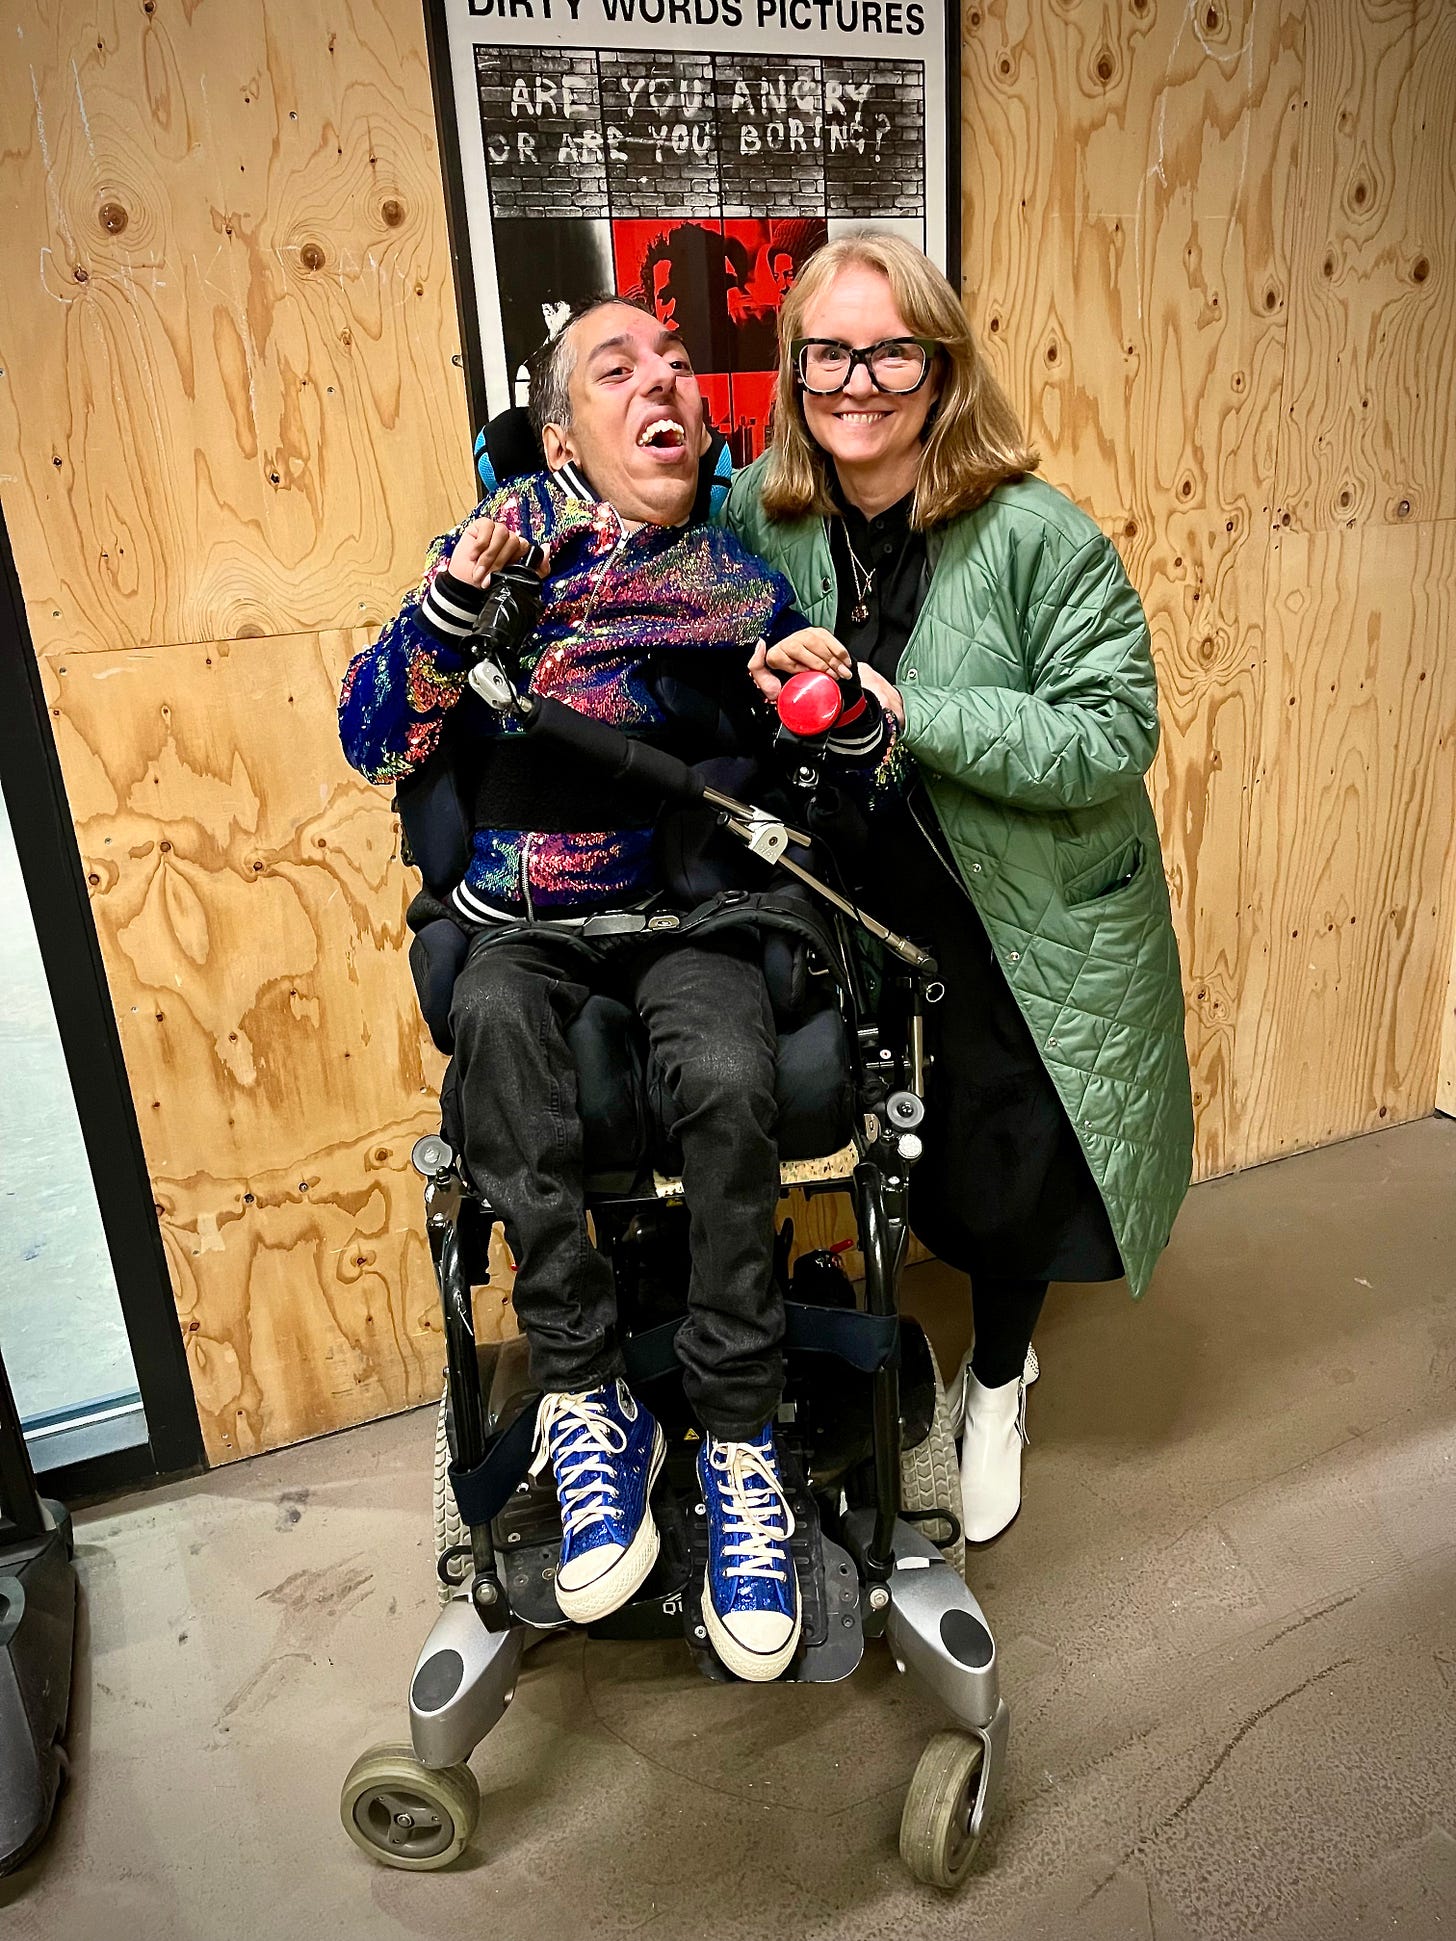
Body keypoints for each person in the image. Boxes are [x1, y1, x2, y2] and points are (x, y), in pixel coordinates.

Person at [340, 298, 880, 1680]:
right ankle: (587, 1396)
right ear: (562, 424)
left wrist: (818, 703)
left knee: (725, 1061)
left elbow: (830, 777)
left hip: (686, 912)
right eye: (618, 368)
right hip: (527, 919)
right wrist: (450, 612)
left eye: (684, 370)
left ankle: (741, 1428)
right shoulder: (498, 556)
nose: (666, 386)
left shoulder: (739, 587)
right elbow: (371, 733)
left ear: (708, 424)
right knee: (498, 1026)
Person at [726, 233, 1194, 1542]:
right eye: (829, 351)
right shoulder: (765, 516)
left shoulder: (1039, 534)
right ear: (795, 370)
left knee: (1009, 1165)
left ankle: (998, 1378)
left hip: (1020, 916)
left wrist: (912, 708)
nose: (857, 379)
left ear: (940, 370)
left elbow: (1113, 730)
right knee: (902, 1151)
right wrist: (759, 662)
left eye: (890, 351)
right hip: (862, 907)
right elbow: (712, 635)